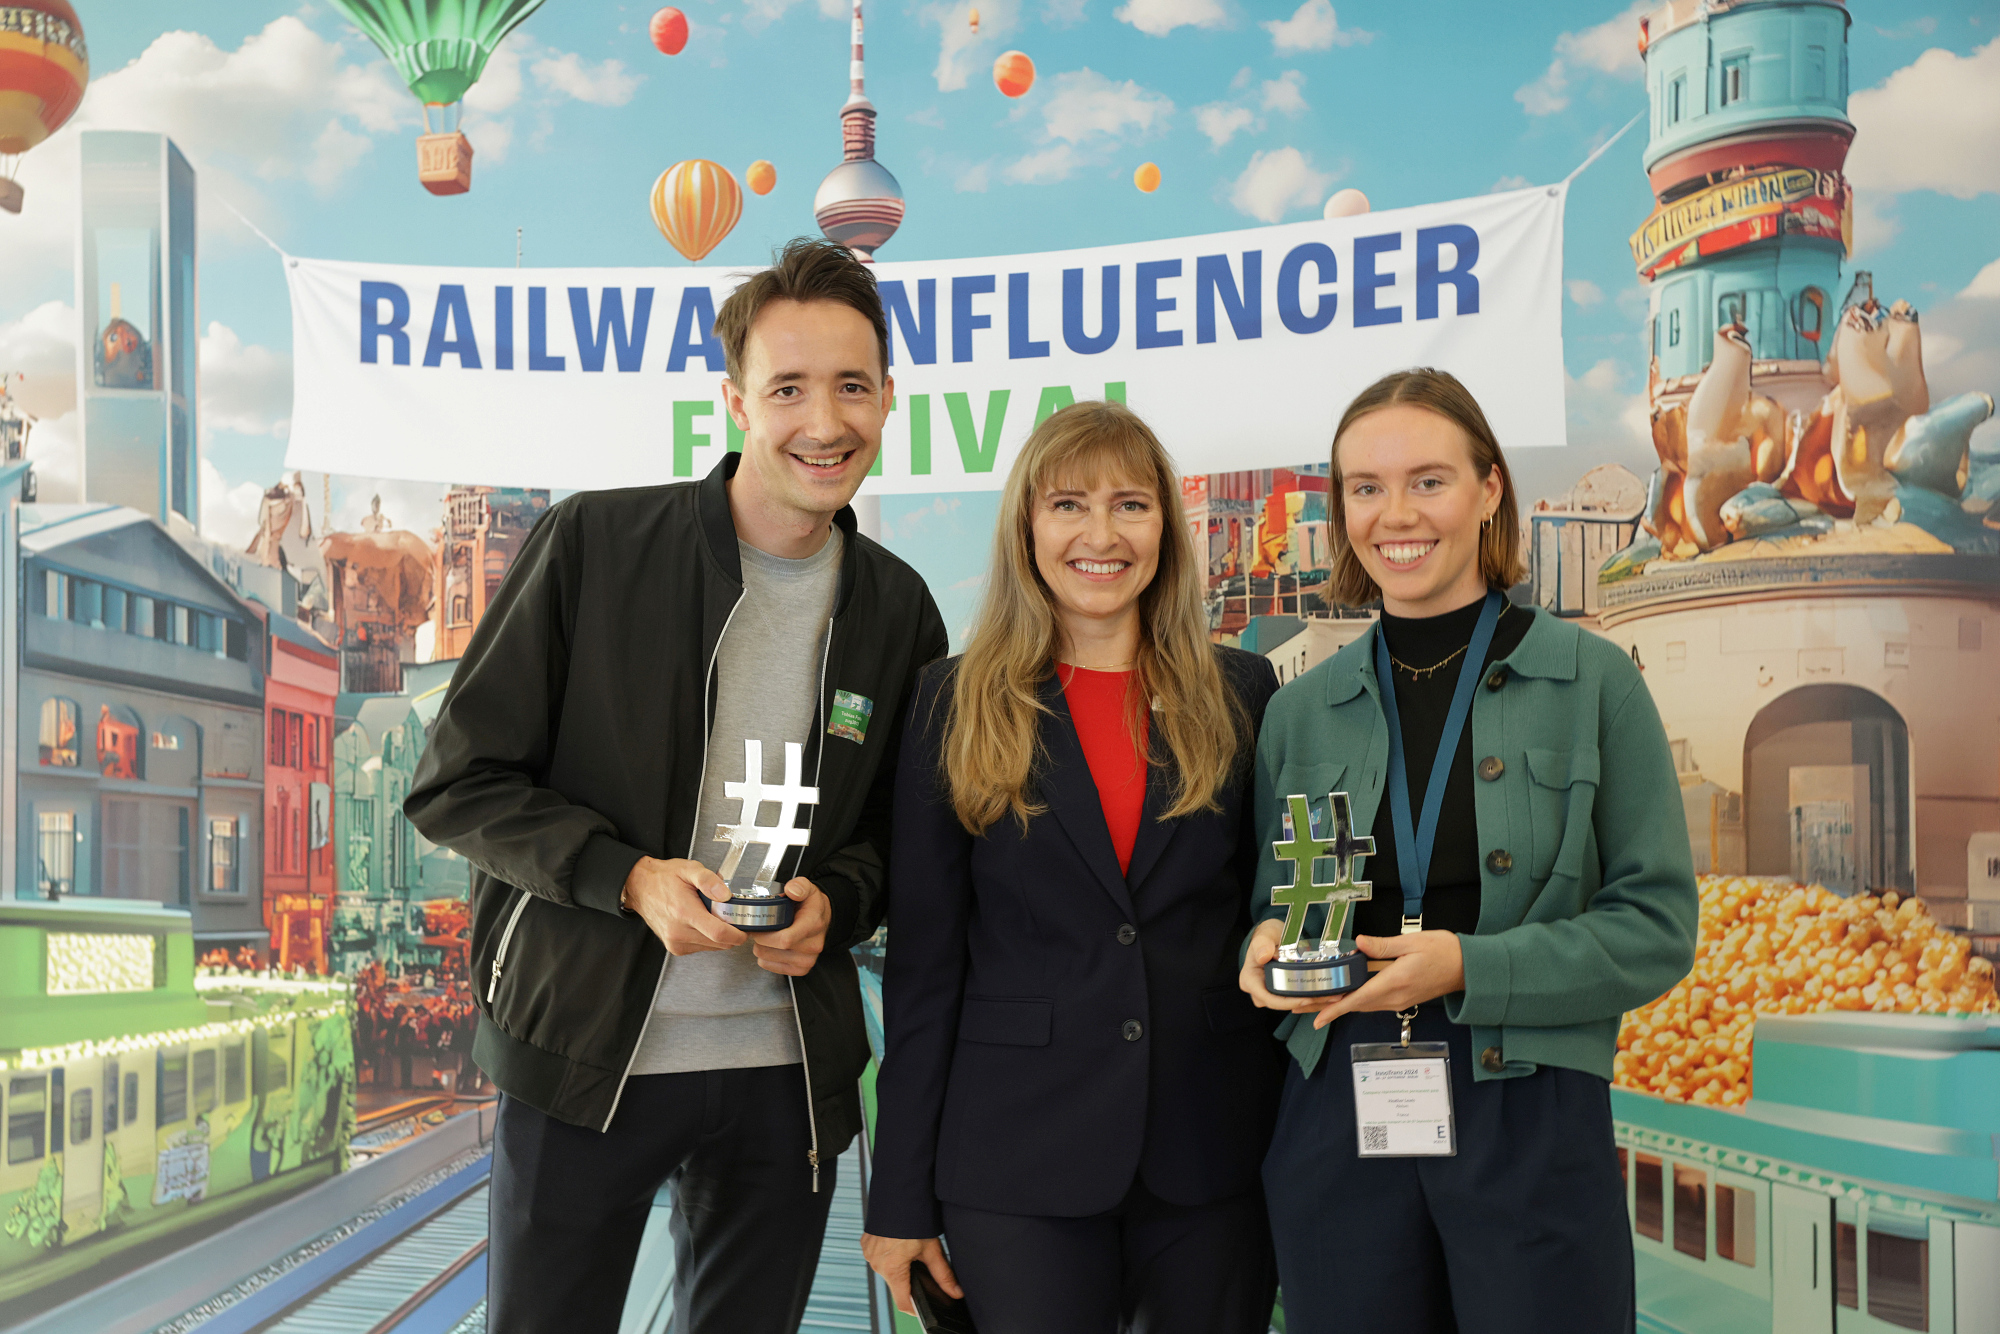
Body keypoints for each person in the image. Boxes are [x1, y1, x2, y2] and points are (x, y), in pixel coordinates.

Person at [405, 236, 948, 1334]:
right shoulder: (593, 544)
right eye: (787, 387)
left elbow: (905, 842)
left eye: (851, 386)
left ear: (889, 399)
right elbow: (457, 783)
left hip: (784, 1077)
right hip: (581, 1059)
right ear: (734, 401)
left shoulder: (899, 609)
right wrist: (627, 879)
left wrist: (839, 899)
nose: (823, 421)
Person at [1239, 367, 1698, 1332]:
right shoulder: (1298, 713)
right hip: (1336, 1111)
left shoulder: (1594, 681)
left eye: (1428, 480)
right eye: (1365, 488)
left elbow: (1656, 927)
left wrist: (1467, 967)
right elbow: (1275, 903)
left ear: (1491, 488)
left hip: (1529, 1114)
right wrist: (1265, 944)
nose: (1394, 514)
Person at [863, 401, 1285, 1333]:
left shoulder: (1243, 693)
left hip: (1212, 1149)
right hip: (1016, 1159)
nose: (1101, 535)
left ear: (1166, 530)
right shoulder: (952, 701)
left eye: (1131, 505)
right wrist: (899, 1203)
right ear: (1026, 526)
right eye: (1068, 505)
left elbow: (1269, 911)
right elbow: (924, 968)